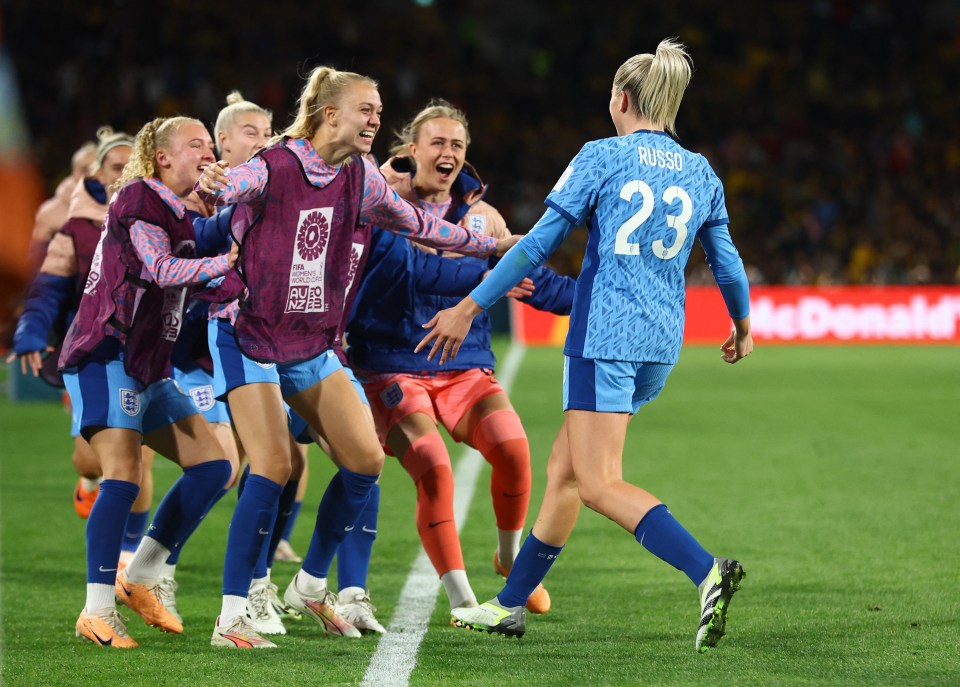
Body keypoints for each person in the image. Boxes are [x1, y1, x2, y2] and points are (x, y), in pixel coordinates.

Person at [418, 40, 753, 653]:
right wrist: (743, 325)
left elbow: (534, 246)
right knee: (564, 472)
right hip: (660, 342)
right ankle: (510, 605)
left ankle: (706, 570)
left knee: (598, 482)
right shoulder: (701, 170)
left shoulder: (602, 155)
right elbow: (726, 263)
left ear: (622, 98)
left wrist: (469, 307)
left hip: (604, 338)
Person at [195, 65, 517, 648]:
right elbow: (229, 187)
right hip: (248, 330)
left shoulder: (360, 177)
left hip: (311, 339)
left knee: (366, 460)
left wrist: (492, 246)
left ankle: (312, 584)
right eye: (365, 109)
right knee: (271, 465)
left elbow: (421, 225)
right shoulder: (275, 165)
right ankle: (233, 613)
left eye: (378, 109)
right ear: (329, 114)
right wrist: (215, 181)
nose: (375, 119)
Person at [347, 99, 574, 616]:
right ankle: (462, 599)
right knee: (434, 466)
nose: (448, 153)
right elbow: (406, 277)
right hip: (391, 364)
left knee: (514, 450)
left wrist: (599, 299)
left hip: (464, 367)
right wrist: (488, 274)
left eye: (457, 145)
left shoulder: (482, 218)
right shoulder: (382, 207)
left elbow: (537, 284)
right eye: (437, 143)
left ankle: (510, 561)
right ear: (412, 151)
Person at [60, 116, 237, 648]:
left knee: (213, 467)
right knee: (122, 475)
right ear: (163, 156)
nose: (209, 153)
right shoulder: (139, 196)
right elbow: (160, 268)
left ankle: (139, 574)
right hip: (105, 350)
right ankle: (96, 611)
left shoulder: (192, 212)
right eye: (196, 145)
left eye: (212, 144)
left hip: (148, 362)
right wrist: (227, 260)